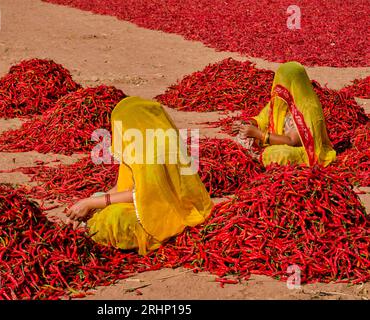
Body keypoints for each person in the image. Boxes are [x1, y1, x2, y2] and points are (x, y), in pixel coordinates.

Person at [65, 96, 213, 255]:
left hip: (164, 214)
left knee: (115, 219)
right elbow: (124, 186)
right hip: (148, 203)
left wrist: (89, 203)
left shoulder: (152, 153)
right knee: (98, 199)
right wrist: (90, 203)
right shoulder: (142, 143)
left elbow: (142, 193)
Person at [233, 61, 336, 167]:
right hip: (275, 139)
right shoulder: (281, 101)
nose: (279, 87)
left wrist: (259, 134)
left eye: (283, 83)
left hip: (302, 149)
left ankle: (259, 157)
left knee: (281, 154)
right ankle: (259, 156)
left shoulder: (308, 108)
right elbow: (262, 118)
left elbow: (291, 141)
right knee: (243, 137)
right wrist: (246, 123)